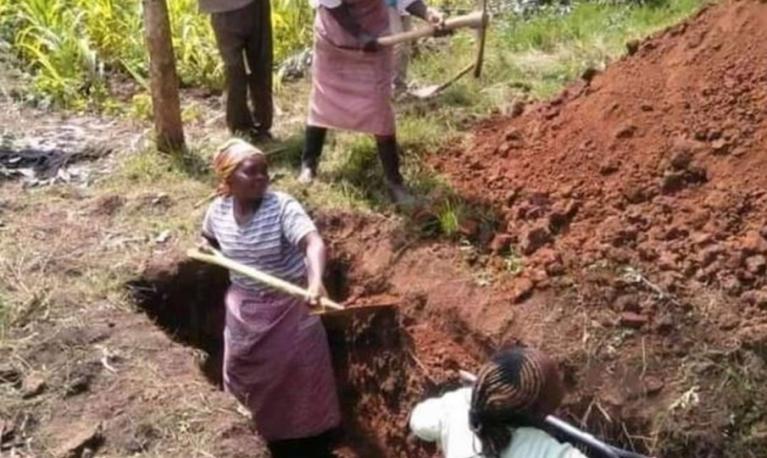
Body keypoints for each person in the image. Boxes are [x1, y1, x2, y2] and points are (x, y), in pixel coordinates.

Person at [201, 139, 340, 457]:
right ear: (228, 179)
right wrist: (206, 249)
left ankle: (311, 444)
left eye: (265, 171)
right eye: (252, 173)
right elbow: (208, 237)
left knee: (302, 381)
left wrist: (316, 282)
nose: (263, 178)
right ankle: (250, 441)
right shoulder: (218, 211)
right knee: (242, 378)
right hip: (244, 314)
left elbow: (312, 243)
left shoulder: (282, 207)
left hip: (291, 309)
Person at [298, 0, 445, 203]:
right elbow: (333, 5)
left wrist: (428, 13)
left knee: (379, 107)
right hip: (334, 37)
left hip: (375, 38)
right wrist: (359, 35)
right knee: (324, 99)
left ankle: (395, 183)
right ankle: (309, 164)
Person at [409, 346, 587, 458]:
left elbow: (418, 420)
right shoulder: (545, 451)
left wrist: (464, 400)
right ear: (539, 410)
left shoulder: (457, 407)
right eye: (557, 382)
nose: (562, 383)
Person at [199, 0, 273, 141]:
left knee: (261, 65)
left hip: (255, 5)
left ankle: (262, 125)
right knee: (235, 71)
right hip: (222, 9)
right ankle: (240, 127)